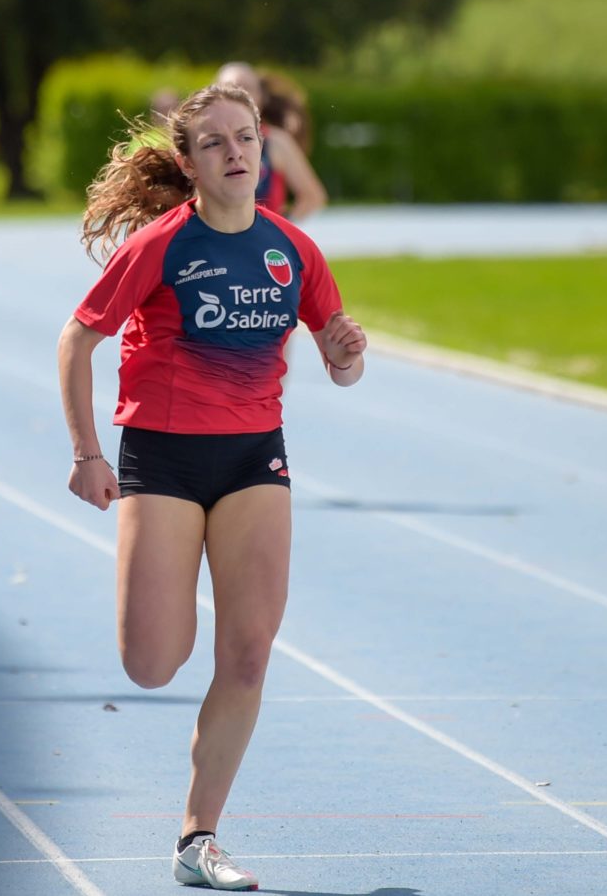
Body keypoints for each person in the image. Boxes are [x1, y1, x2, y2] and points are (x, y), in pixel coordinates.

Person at [57, 83, 366, 890]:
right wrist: (87, 453)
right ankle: (166, 591)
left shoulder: (294, 250)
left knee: (249, 655)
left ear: (265, 150)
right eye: (215, 142)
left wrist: (344, 354)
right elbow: (76, 340)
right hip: (161, 459)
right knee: (153, 662)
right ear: (190, 164)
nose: (235, 152)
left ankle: (199, 838)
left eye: (246, 137)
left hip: (253, 458)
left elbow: (342, 367)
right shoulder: (160, 246)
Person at [213, 63, 327, 223]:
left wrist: (279, 228)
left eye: (247, 88)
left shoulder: (276, 141)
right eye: (230, 88)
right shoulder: (203, 141)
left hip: (262, 237)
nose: (238, 96)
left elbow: (313, 196)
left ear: (262, 97)